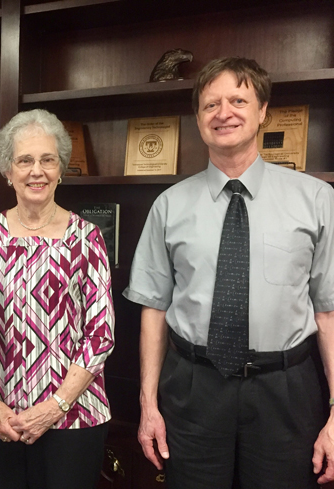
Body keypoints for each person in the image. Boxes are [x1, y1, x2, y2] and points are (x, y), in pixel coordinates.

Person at [124, 57, 334, 488]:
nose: (224, 113)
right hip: (194, 389)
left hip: (287, 392)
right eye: (210, 104)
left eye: (238, 99)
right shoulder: (169, 205)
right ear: (198, 119)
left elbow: (328, 313)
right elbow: (153, 311)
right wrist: (149, 405)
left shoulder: (316, 199)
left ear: (262, 112)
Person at [0, 109, 115, 489]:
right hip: (3, 418)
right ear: (7, 170)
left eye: (47, 160)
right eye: (25, 160)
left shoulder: (87, 237)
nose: (37, 171)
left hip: (74, 415)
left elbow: (100, 335)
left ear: (61, 169)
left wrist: (54, 408)